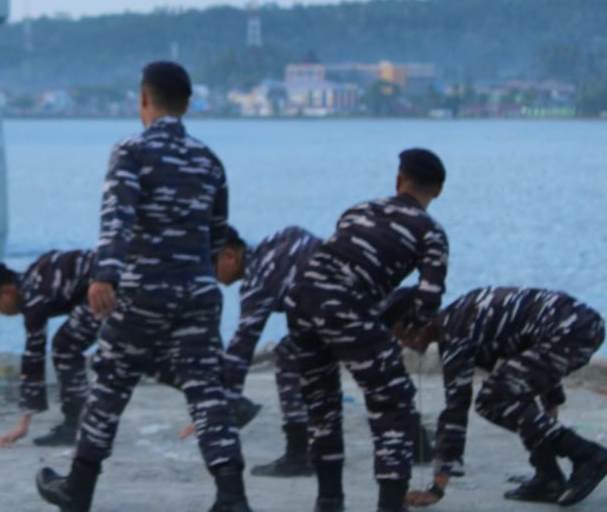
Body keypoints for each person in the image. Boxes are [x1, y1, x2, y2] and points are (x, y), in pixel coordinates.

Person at [36, 61, 251, 512]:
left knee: (111, 382)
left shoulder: (131, 151)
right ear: (188, 104)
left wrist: (104, 276)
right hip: (198, 292)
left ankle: (78, 488)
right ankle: (232, 495)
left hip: (141, 291)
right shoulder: (209, 160)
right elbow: (218, 235)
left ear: (143, 99)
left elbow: (118, 219)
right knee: (206, 389)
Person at [284, 148, 450, 512]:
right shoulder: (430, 232)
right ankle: (390, 505)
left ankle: (329, 501)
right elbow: (429, 299)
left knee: (321, 402)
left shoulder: (359, 209)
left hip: (300, 298)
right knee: (393, 403)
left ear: (398, 180)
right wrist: (411, 327)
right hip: (346, 306)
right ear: (437, 191)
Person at [380, 285, 607, 508]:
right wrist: (547, 433)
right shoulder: (461, 317)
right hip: (581, 325)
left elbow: (455, 412)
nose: (403, 344)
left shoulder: (455, 334)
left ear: (412, 322)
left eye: (399, 335)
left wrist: (436, 490)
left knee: (492, 400)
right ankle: (548, 477)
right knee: (508, 391)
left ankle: (588, 455)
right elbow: (534, 373)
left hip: (570, 330)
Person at [211, 224, 323, 477]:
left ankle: (299, 453)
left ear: (230, 255)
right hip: (365, 295)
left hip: (340, 312)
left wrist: (221, 406)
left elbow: (242, 346)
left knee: (287, 355)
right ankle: (413, 434)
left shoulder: (258, 280)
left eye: (210, 266)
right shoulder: (278, 239)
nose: (211, 276)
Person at [0, 250, 99, 448]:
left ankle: (77, 425)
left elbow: (34, 357)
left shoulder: (32, 295)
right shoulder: (34, 278)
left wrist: (23, 425)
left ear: (6, 291)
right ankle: (82, 420)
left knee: (65, 346)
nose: (1, 313)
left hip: (109, 284)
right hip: (116, 278)